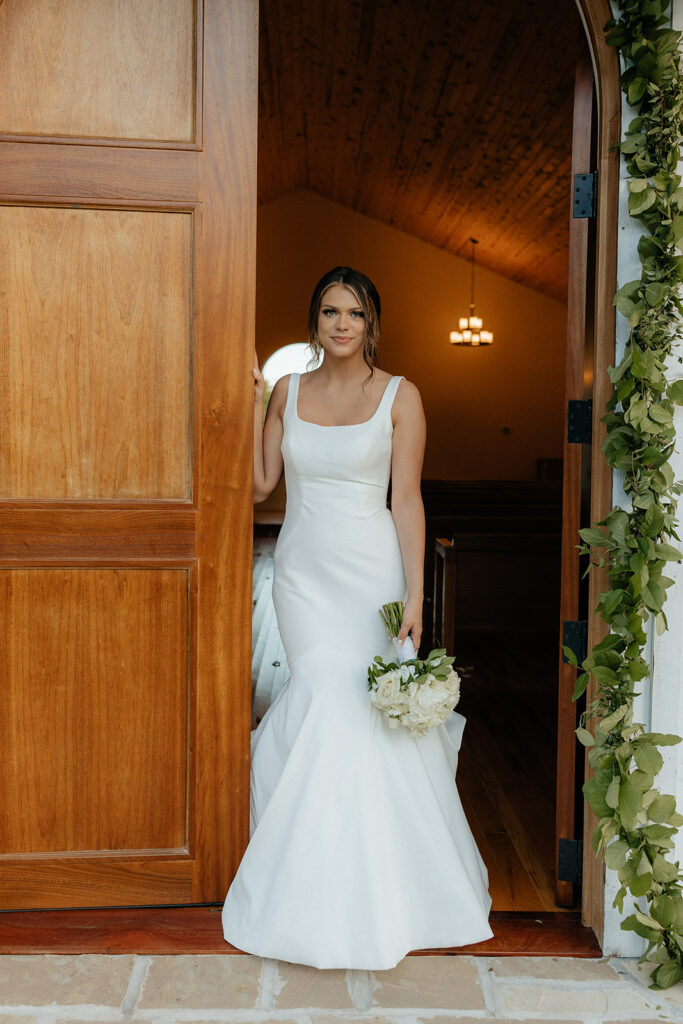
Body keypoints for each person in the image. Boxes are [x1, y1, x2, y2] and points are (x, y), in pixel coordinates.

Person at [221, 266, 493, 970]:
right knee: (318, 696)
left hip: (369, 570)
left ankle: (381, 883)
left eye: (354, 313)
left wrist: (414, 594)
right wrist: (250, 406)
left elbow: (406, 500)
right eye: (329, 312)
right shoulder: (289, 390)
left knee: (361, 710)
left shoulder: (401, 396)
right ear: (315, 321)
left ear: (372, 323)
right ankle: (307, 872)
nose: (341, 324)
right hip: (304, 574)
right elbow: (258, 486)